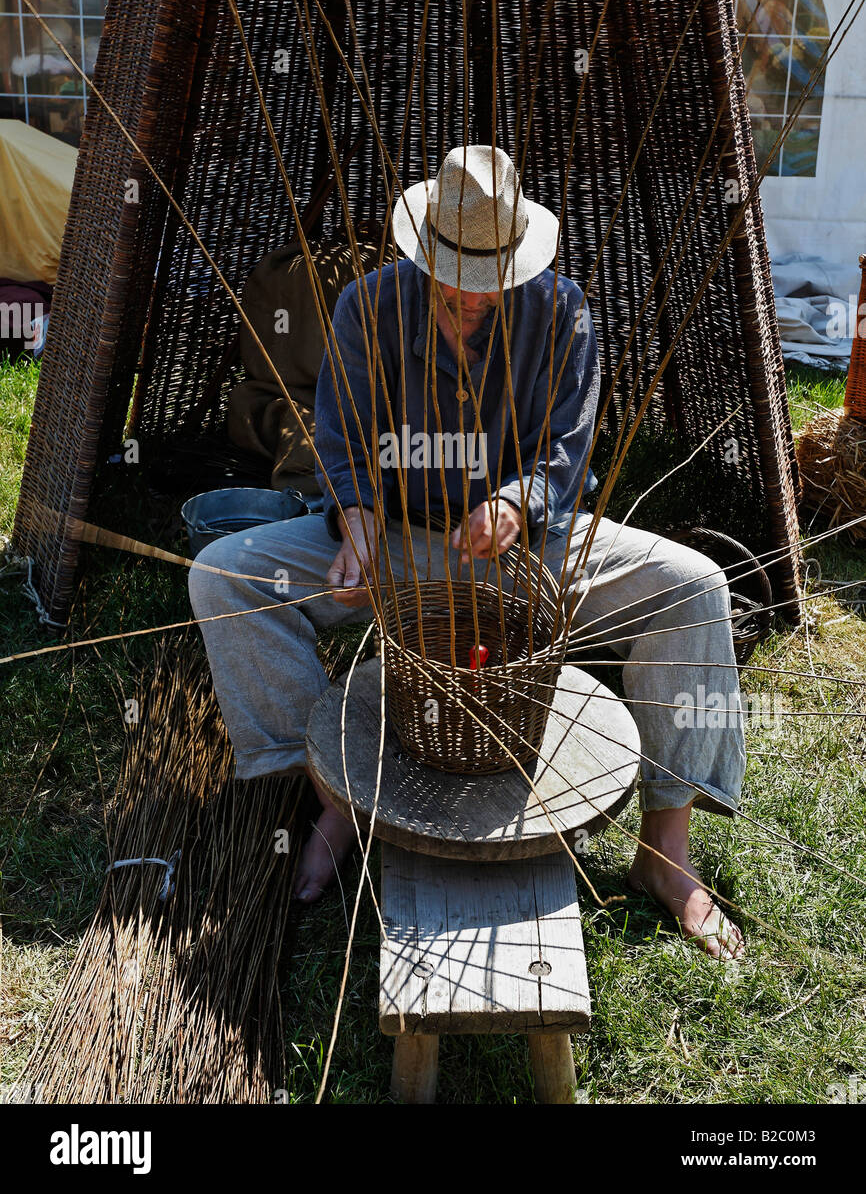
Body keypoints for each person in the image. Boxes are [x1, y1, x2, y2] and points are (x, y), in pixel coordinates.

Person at [189, 145, 746, 960]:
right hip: (401, 543)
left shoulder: (564, 313)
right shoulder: (365, 307)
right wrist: (357, 524)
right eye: (452, 279)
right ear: (423, 253)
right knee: (225, 577)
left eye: (488, 283)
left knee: (693, 586)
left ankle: (665, 851)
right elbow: (341, 444)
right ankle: (334, 796)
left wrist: (515, 503)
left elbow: (568, 450)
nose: (468, 298)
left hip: (530, 551)